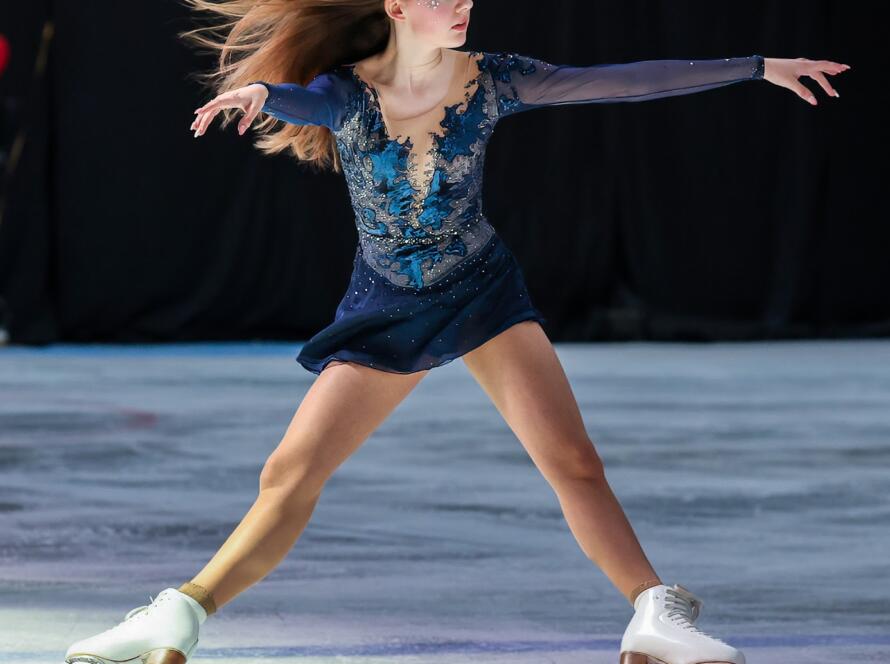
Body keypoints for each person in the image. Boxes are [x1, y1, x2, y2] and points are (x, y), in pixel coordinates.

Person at [64, 1, 849, 663]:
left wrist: (756, 67)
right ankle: (179, 613)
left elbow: (616, 82)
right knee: (289, 474)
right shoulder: (348, 94)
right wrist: (257, 93)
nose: (464, 5)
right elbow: (294, 99)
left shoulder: (494, 78)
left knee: (573, 463)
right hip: (386, 305)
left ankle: (653, 613)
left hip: (480, 291)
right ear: (398, 8)